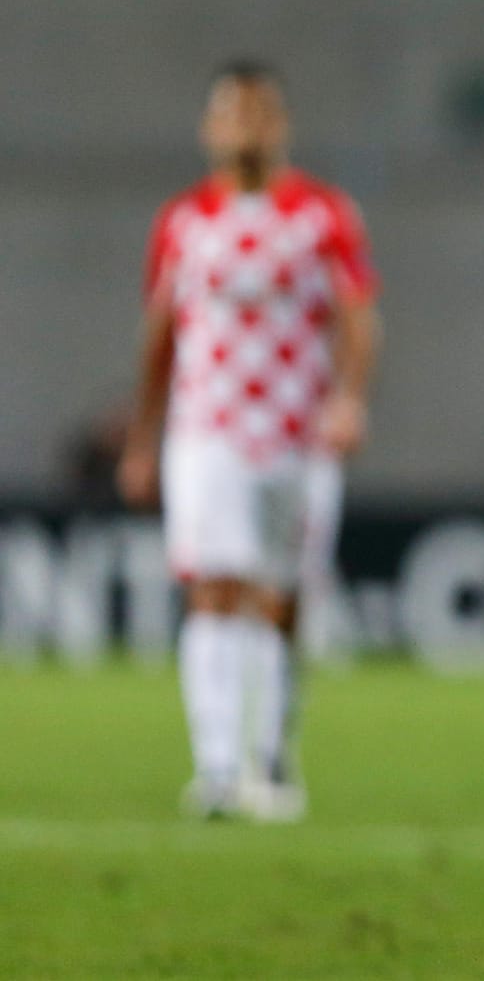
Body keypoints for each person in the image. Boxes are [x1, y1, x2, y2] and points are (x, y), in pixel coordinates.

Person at [119, 61, 381, 822]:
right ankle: (217, 768)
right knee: (213, 583)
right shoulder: (183, 222)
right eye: (232, 114)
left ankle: (270, 759)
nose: (246, 128)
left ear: (282, 124)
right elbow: (160, 337)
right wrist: (142, 438)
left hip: (299, 436)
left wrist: (349, 400)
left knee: (282, 598)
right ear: (209, 128)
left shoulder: (324, 215)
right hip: (207, 433)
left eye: (261, 113)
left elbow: (359, 317)